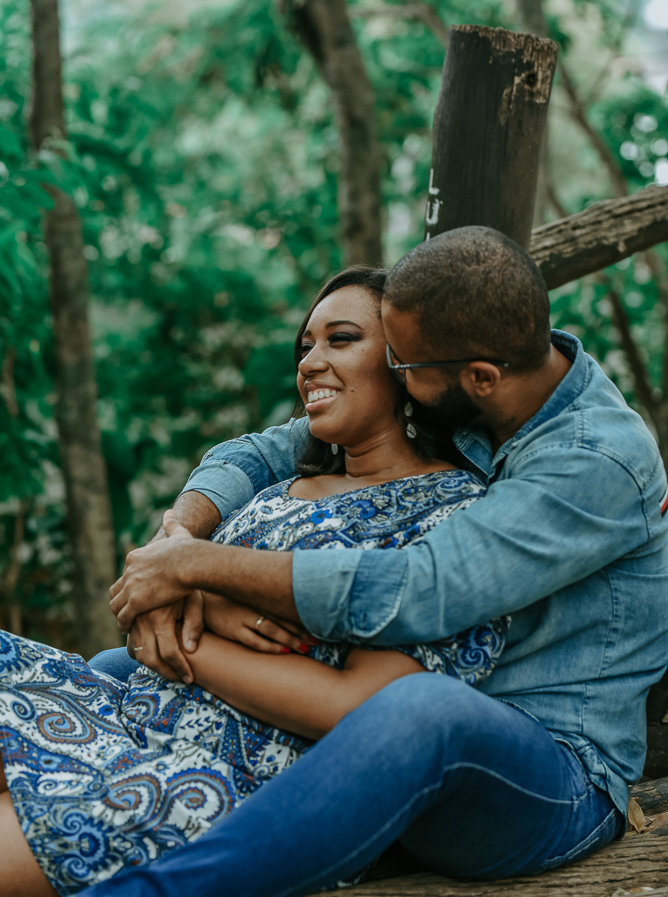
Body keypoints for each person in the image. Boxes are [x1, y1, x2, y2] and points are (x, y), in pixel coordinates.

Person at [83, 226, 668, 897]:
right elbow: (262, 452)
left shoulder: (592, 463)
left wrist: (197, 570)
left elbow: (420, 587)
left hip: (549, 776)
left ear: (477, 377)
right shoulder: (480, 391)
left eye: (403, 365)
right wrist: (174, 542)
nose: (394, 373)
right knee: (115, 671)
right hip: (399, 750)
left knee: (421, 711)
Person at [0, 267, 508, 897]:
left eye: (341, 339)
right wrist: (193, 598)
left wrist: (189, 638)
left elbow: (367, 711)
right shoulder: (277, 489)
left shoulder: (451, 516)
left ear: (410, 364)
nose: (311, 363)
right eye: (305, 346)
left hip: (233, 780)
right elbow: (155, 588)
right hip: (129, 716)